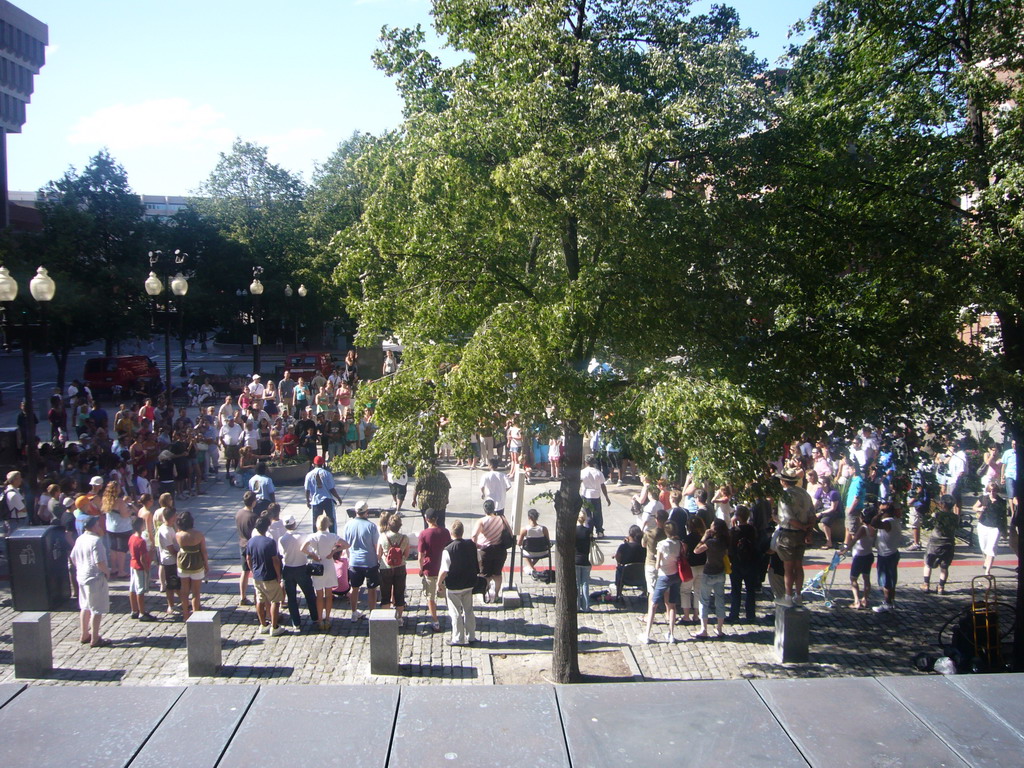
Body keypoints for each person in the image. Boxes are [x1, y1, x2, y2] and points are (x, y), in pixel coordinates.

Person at [70, 515, 112, 647]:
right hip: (94, 577)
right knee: (97, 608)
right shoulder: (96, 541)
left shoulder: (80, 539)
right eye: (98, 525)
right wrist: (107, 572)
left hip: (82, 576)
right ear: (94, 526)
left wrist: (81, 568)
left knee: (85, 606)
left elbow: (72, 557)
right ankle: (95, 638)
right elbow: (99, 561)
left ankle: (84, 634)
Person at [638, 521, 683, 644]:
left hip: (664, 576)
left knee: (653, 604)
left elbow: (657, 565)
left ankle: (647, 634)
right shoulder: (679, 544)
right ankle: (671, 634)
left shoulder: (662, 544)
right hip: (675, 576)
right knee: (672, 604)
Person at [304, 512, 349, 630]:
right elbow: (346, 545)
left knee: (319, 595)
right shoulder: (332, 536)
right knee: (329, 595)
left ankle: (319, 619)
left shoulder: (312, 536)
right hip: (329, 566)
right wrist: (334, 552)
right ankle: (328, 618)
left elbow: (302, 548)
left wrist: (312, 555)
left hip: (317, 566)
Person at [775, 470, 815, 603]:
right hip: (801, 534)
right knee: (798, 565)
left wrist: (802, 527)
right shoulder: (804, 493)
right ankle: (798, 594)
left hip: (789, 533)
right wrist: (807, 531)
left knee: (788, 567)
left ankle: (788, 595)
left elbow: (789, 518)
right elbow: (812, 515)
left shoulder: (785, 495)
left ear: (783, 481)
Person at [438, 520, 479, 646]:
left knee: (455, 612)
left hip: (454, 585)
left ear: (451, 533)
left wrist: (439, 583)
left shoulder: (448, 549)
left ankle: (458, 638)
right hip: (469, 583)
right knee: (469, 610)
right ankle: (471, 636)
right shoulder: (471, 545)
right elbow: (479, 561)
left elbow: (444, 570)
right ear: (462, 532)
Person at [246, 514, 287, 635]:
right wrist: (278, 574)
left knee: (260, 600)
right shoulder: (270, 542)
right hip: (269, 575)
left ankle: (263, 624)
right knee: (275, 601)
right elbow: (275, 560)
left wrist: (252, 570)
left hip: (257, 575)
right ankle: (274, 627)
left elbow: (248, 558)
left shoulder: (251, 541)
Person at [278, 514, 319, 631]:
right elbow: (309, 550)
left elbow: (281, 554)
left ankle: (296, 622)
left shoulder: (282, 539)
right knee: (310, 594)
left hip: (288, 569)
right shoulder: (303, 536)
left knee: (291, 598)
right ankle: (315, 617)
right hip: (301, 568)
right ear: (294, 524)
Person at [342, 504, 380, 620]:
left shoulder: (348, 525)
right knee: (372, 589)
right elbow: (376, 546)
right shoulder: (371, 526)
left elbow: (346, 545)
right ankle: (372, 612)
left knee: (354, 588)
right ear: (367, 512)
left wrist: (349, 558)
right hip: (370, 562)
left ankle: (354, 612)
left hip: (354, 562)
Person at [693, 518, 730, 638]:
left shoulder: (710, 543)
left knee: (704, 600)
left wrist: (704, 537)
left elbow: (696, 551)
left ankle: (704, 629)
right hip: (720, 572)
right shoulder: (724, 541)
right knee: (720, 600)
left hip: (709, 573)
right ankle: (719, 629)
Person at [472, 499, 514, 603]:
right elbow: (510, 532)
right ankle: (496, 595)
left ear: (484, 509)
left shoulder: (481, 521)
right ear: (493, 508)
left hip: (485, 551)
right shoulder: (501, 519)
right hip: (500, 550)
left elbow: (474, 536)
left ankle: (484, 594)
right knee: (497, 574)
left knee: (485, 575)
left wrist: (476, 545)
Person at [418, 508, 452, 632]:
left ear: (426, 519)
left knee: (430, 597)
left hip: (430, 569)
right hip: (443, 568)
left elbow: (421, 555)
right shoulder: (445, 532)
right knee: (448, 594)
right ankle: (454, 616)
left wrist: (421, 569)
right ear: (437, 519)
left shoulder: (424, 534)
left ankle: (435, 621)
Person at [728, 506, 760, 623]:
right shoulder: (752, 529)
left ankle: (734, 614)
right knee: (750, 590)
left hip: (737, 562)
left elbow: (730, 547)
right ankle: (750, 614)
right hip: (750, 562)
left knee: (736, 590)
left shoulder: (734, 531)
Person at [377, 512, 410, 626]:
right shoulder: (404, 538)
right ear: (400, 526)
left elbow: (378, 553)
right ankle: (399, 619)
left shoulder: (383, 536)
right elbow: (406, 554)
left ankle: (386, 618)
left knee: (385, 594)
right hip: (400, 567)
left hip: (385, 567)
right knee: (399, 594)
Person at [922, 494, 959, 593]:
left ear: (942, 504)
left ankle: (926, 585)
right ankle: (941, 587)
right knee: (944, 567)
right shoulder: (955, 517)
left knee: (928, 563)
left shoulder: (937, 515)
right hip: (948, 543)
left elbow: (928, 523)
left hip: (935, 543)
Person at [175, 510, 207, 621]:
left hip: (183, 563)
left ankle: (185, 615)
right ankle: (196, 614)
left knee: (184, 591)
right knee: (196, 592)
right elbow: (203, 551)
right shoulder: (199, 535)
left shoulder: (178, 535)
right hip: (196, 562)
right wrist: (206, 564)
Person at [841, 513, 877, 609]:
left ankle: (857, 601)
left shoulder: (863, 528)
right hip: (869, 554)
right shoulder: (873, 529)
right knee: (866, 578)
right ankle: (865, 599)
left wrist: (845, 550)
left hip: (859, 556)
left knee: (853, 579)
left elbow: (854, 540)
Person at [872, 502, 903, 613]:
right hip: (892, 552)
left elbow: (874, 523)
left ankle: (887, 603)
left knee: (886, 581)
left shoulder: (888, 522)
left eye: (880, 510)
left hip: (886, 555)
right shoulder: (895, 521)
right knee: (891, 579)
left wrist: (880, 513)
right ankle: (891, 601)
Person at [100, 480, 133, 578]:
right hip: (122, 528)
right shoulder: (119, 501)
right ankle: (121, 571)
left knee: (113, 549)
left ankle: (114, 568)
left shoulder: (105, 499)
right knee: (121, 550)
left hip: (110, 527)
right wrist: (130, 511)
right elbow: (124, 515)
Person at [974, 482, 1007, 576]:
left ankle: (987, 571)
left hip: (996, 527)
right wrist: (979, 509)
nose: (992, 492)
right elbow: (974, 507)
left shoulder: (1001, 501)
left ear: (997, 491)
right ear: (988, 490)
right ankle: (986, 561)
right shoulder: (983, 498)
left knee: (991, 548)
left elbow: (1003, 517)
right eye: (990, 490)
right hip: (983, 525)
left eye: (994, 490)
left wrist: (1004, 531)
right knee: (983, 548)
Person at [305, 455, 343, 533]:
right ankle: (333, 536)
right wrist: (338, 498)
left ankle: (316, 536)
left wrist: (308, 501)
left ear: (313, 464)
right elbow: (331, 488)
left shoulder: (309, 475)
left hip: (316, 501)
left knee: (316, 520)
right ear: (323, 464)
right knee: (331, 520)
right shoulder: (327, 474)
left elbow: (307, 490)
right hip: (327, 500)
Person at [127, 516, 156, 621]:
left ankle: (134, 610)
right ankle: (142, 612)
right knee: (140, 590)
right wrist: (147, 568)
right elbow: (143, 557)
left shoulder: (131, 537)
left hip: (132, 564)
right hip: (140, 567)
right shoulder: (141, 541)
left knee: (132, 588)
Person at [235, 491, 259, 606]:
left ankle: (242, 596)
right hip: (251, 546)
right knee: (255, 572)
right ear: (253, 502)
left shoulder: (239, 513)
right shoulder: (253, 517)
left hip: (242, 544)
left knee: (244, 571)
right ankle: (257, 597)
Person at [413, 459, 451, 528]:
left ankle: (427, 535)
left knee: (427, 522)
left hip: (425, 501)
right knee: (440, 523)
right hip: (439, 502)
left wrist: (414, 499)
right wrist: (446, 498)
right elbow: (447, 487)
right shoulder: (440, 475)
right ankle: (441, 536)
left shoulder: (422, 475)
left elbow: (416, 488)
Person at [579, 455, 612, 536]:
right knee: (597, 514)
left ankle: (589, 532)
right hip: (596, 495)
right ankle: (599, 531)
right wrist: (606, 497)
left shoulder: (583, 472)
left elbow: (578, 483)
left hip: (586, 495)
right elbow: (603, 485)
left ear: (586, 462)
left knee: (587, 514)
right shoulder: (598, 472)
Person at [156, 504, 180, 614]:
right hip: (169, 560)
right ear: (171, 517)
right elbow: (171, 548)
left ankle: (184, 600)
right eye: (175, 515)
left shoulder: (170, 527)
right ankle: (170, 605)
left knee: (177, 583)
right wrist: (179, 556)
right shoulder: (165, 531)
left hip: (172, 559)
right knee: (171, 583)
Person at [613, 524, 646, 600]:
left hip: (625, 576)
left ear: (630, 535)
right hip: (641, 576)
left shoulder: (624, 547)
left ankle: (619, 592)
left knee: (619, 568)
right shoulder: (644, 547)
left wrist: (625, 544)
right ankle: (645, 591)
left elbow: (618, 559)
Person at [641, 509, 668, 594]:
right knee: (666, 591)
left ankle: (652, 607)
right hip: (666, 564)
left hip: (651, 563)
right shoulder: (669, 533)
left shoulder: (649, 533)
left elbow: (643, 545)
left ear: (656, 520)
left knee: (652, 591)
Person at [519, 508, 551, 578]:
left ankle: (532, 569)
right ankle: (531, 567)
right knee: (538, 548)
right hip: (542, 551)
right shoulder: (544, 529)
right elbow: (548, 541)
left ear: (529, 517)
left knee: (525, 552)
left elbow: (519, 543)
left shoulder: (524, 529)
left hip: (529, 552)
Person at [574, 511, 594, 612]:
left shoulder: (573, 531)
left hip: (576, 560)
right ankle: (586, 606)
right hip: (586, 560)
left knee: (577, 584)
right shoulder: (588, 531)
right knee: (585, 583)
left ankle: (577, 605)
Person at [2, 470, 27, 534]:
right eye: (19, 478)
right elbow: (22, 509)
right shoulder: (13, 494)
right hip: (16, 522)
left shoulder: (16, 491)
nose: (21, 480)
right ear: (14, 480)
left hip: (17, 520)